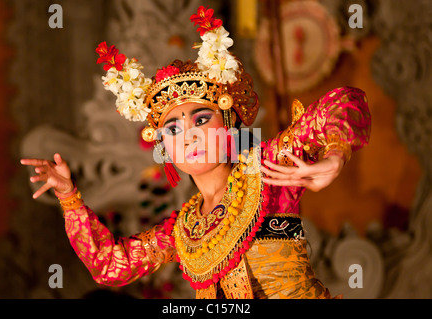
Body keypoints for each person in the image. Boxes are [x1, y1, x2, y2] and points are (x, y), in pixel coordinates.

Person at [21, 6, 371, 299]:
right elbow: (109, 266)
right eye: (172, 129)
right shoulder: (182, 231)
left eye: (200, 119)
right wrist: (69, 198)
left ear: (229, 125)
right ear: (163, 148)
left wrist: (335, 155)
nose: (187, 135)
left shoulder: (266, 170)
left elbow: (342, 103)